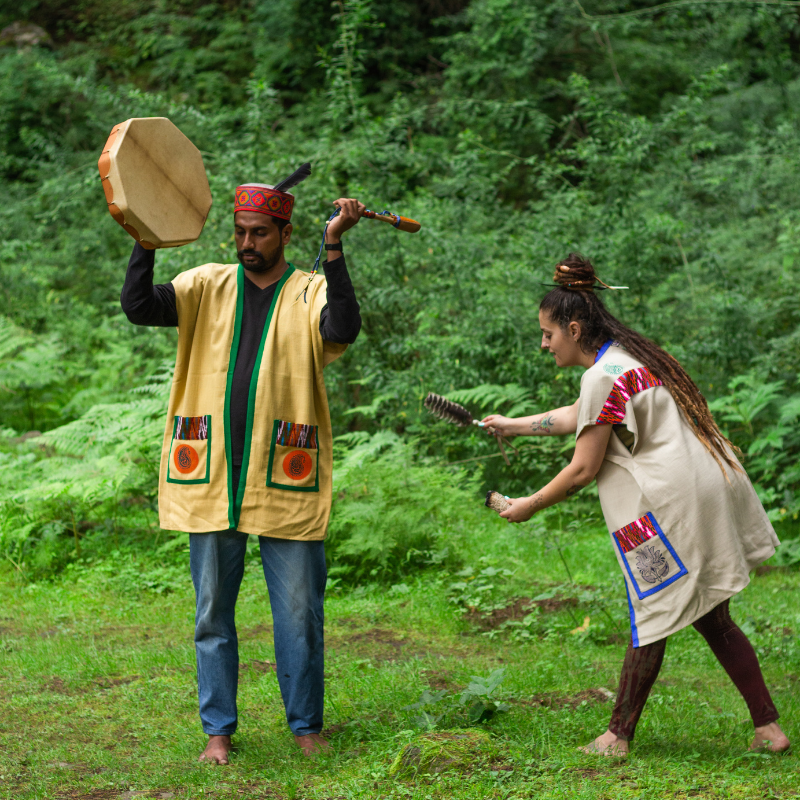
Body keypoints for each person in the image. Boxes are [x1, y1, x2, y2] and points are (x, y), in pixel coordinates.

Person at [482, 254, 790, 756]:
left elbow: (583, 469)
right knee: (711, 614)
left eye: (547, 334)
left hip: (669, 507)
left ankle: (617, 735)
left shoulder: (602, 374)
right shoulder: (623, 358)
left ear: (574, 328)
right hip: (707, 484)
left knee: (652, 609)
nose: (543, 343)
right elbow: (581, 413)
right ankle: (768, 729)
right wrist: (514, 424)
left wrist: (528, 505)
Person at [120, 174, 364, 762]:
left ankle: (306, 726)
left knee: (302, 611)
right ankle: (218, 731)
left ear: (284, 233)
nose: (247, 242)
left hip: (286, 469)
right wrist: (146, 241)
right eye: (240, 231)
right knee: (211, 613)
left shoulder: (309, 291)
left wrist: (334, 248)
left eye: (259, 232)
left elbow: (344, 327)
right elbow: (138, 306)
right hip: (212, 470)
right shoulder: (206, 284)